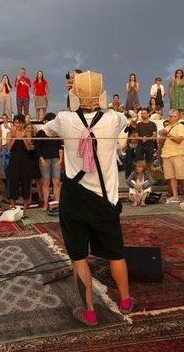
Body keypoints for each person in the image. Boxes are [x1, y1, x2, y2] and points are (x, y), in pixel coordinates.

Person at [44, 70, 133, 325]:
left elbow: (48, 130)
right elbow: (124, 121)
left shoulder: (64, 119)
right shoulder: (115, 118)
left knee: (79, 257)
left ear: (75, 94)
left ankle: (89, 312)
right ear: (102, 94)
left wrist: (72, 103)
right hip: (105, 201)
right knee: (116, 254)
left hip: (74, 199)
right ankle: (125, 301)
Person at [161, 109, 184, 203]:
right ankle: (175, 196)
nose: (169, 118)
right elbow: (162, 138)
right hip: (166, 154)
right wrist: (162, 136)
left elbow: (179, 140)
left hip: (177, 154)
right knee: (171, 176)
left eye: (170, 116)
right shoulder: (168, 126)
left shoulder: (181, 127)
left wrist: (168, 134)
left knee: (183, 176)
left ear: (176, 117)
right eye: (169, 116)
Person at [6, 114, 33, 213]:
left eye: (20, 123)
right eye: (16, 123)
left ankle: (25, 208)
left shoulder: (27, 133)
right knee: (13, 182)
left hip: (25, 160)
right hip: (14, 160)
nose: (18, 125)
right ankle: (13, 206)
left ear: (23, 123)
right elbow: (8, 148)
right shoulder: (9, 134)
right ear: (14, 123)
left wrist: (24, 137)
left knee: (26, 182)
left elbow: (28, 148)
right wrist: (14, 137)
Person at [36, 112, 63, 208]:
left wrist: (60, 160)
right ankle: (45, 204)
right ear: (45, 121)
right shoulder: (40, 132)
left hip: (55, 159)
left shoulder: (55, 133)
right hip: (45, 160)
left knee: (56, 182)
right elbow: (37, 148)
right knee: (46, 182)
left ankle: (57, 204)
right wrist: (42, 160)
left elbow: (60, 147)